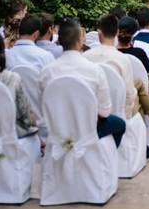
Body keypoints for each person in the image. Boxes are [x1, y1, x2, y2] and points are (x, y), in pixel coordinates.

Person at [40, 18, 125, 148]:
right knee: (120, 125)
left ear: (59, 41)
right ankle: (113, 156)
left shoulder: (46, 72)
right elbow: (105, 111)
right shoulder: (94, 70)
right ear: (80, 41)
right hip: (88, 130)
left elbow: (43, 107)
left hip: (58, 130)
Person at [86, 14, 149, 154]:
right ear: (116, 32)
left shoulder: (86, 57)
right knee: (138, 95)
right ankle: (147, 143)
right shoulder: (122, 59)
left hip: (90, 110)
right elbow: (129, 94)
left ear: (99, 33)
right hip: (119, 109)